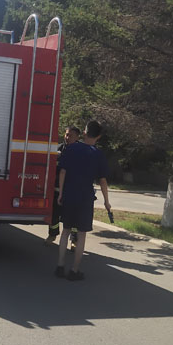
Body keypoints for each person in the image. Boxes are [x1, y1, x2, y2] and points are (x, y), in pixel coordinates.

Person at [55, 120, 111, 281]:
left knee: (65, 230)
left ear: (84, 133)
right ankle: (74, 270)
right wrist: (106, 201)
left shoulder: (71, 148)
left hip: (69, 195)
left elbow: (63, 172)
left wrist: (60, 193)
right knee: (81, 234)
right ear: (98, 136)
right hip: (85, 198)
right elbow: (102, 181)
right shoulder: (98, 154)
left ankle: (60, 266)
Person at [46, 125, 81, 244]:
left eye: (71, 135)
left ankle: (74, 240)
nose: (67, 137)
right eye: (66, 134)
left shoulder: (81, 151)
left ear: (77, 137)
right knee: (54, 214)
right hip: (57, 189)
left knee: (74, 217)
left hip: (73, 190)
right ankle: (52, 235)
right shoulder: (58, 149)